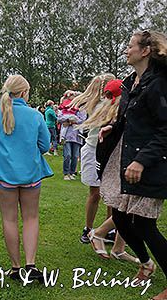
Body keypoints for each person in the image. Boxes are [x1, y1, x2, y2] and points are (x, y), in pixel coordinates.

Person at [98, 30, 167, 300]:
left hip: (151, 161)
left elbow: (165, 129)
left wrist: (141, 160)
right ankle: (146, 264)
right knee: (120, 217)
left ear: (145, 51)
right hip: (127, 155)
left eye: (130, 46)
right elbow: (131, 118)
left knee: (145, 225)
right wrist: (112, 127)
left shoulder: (159, 83)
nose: (126, 50)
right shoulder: (131, 82)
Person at [0, 75, 53, 281]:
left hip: (3, 177)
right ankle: (31, 264)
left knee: (9, 219)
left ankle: (15, 268)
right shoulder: (35, 115)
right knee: (31, 217)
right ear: (24, 93)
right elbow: (45, 146)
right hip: (31, 174)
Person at [85, 80, 137, 263]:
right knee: (126, 203)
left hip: (125, 159)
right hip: (119, 161)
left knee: (124, 204)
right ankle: (96, 232)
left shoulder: (121, 107)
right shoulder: (113, 110)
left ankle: (118, 246)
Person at [70, 73, 116, 242]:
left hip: (107, 152)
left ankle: (109, 230)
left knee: (109, 195)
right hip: (93, 150)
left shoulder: (111, 103)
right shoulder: (100, 105)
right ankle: (89, 228)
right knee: (95, 193)